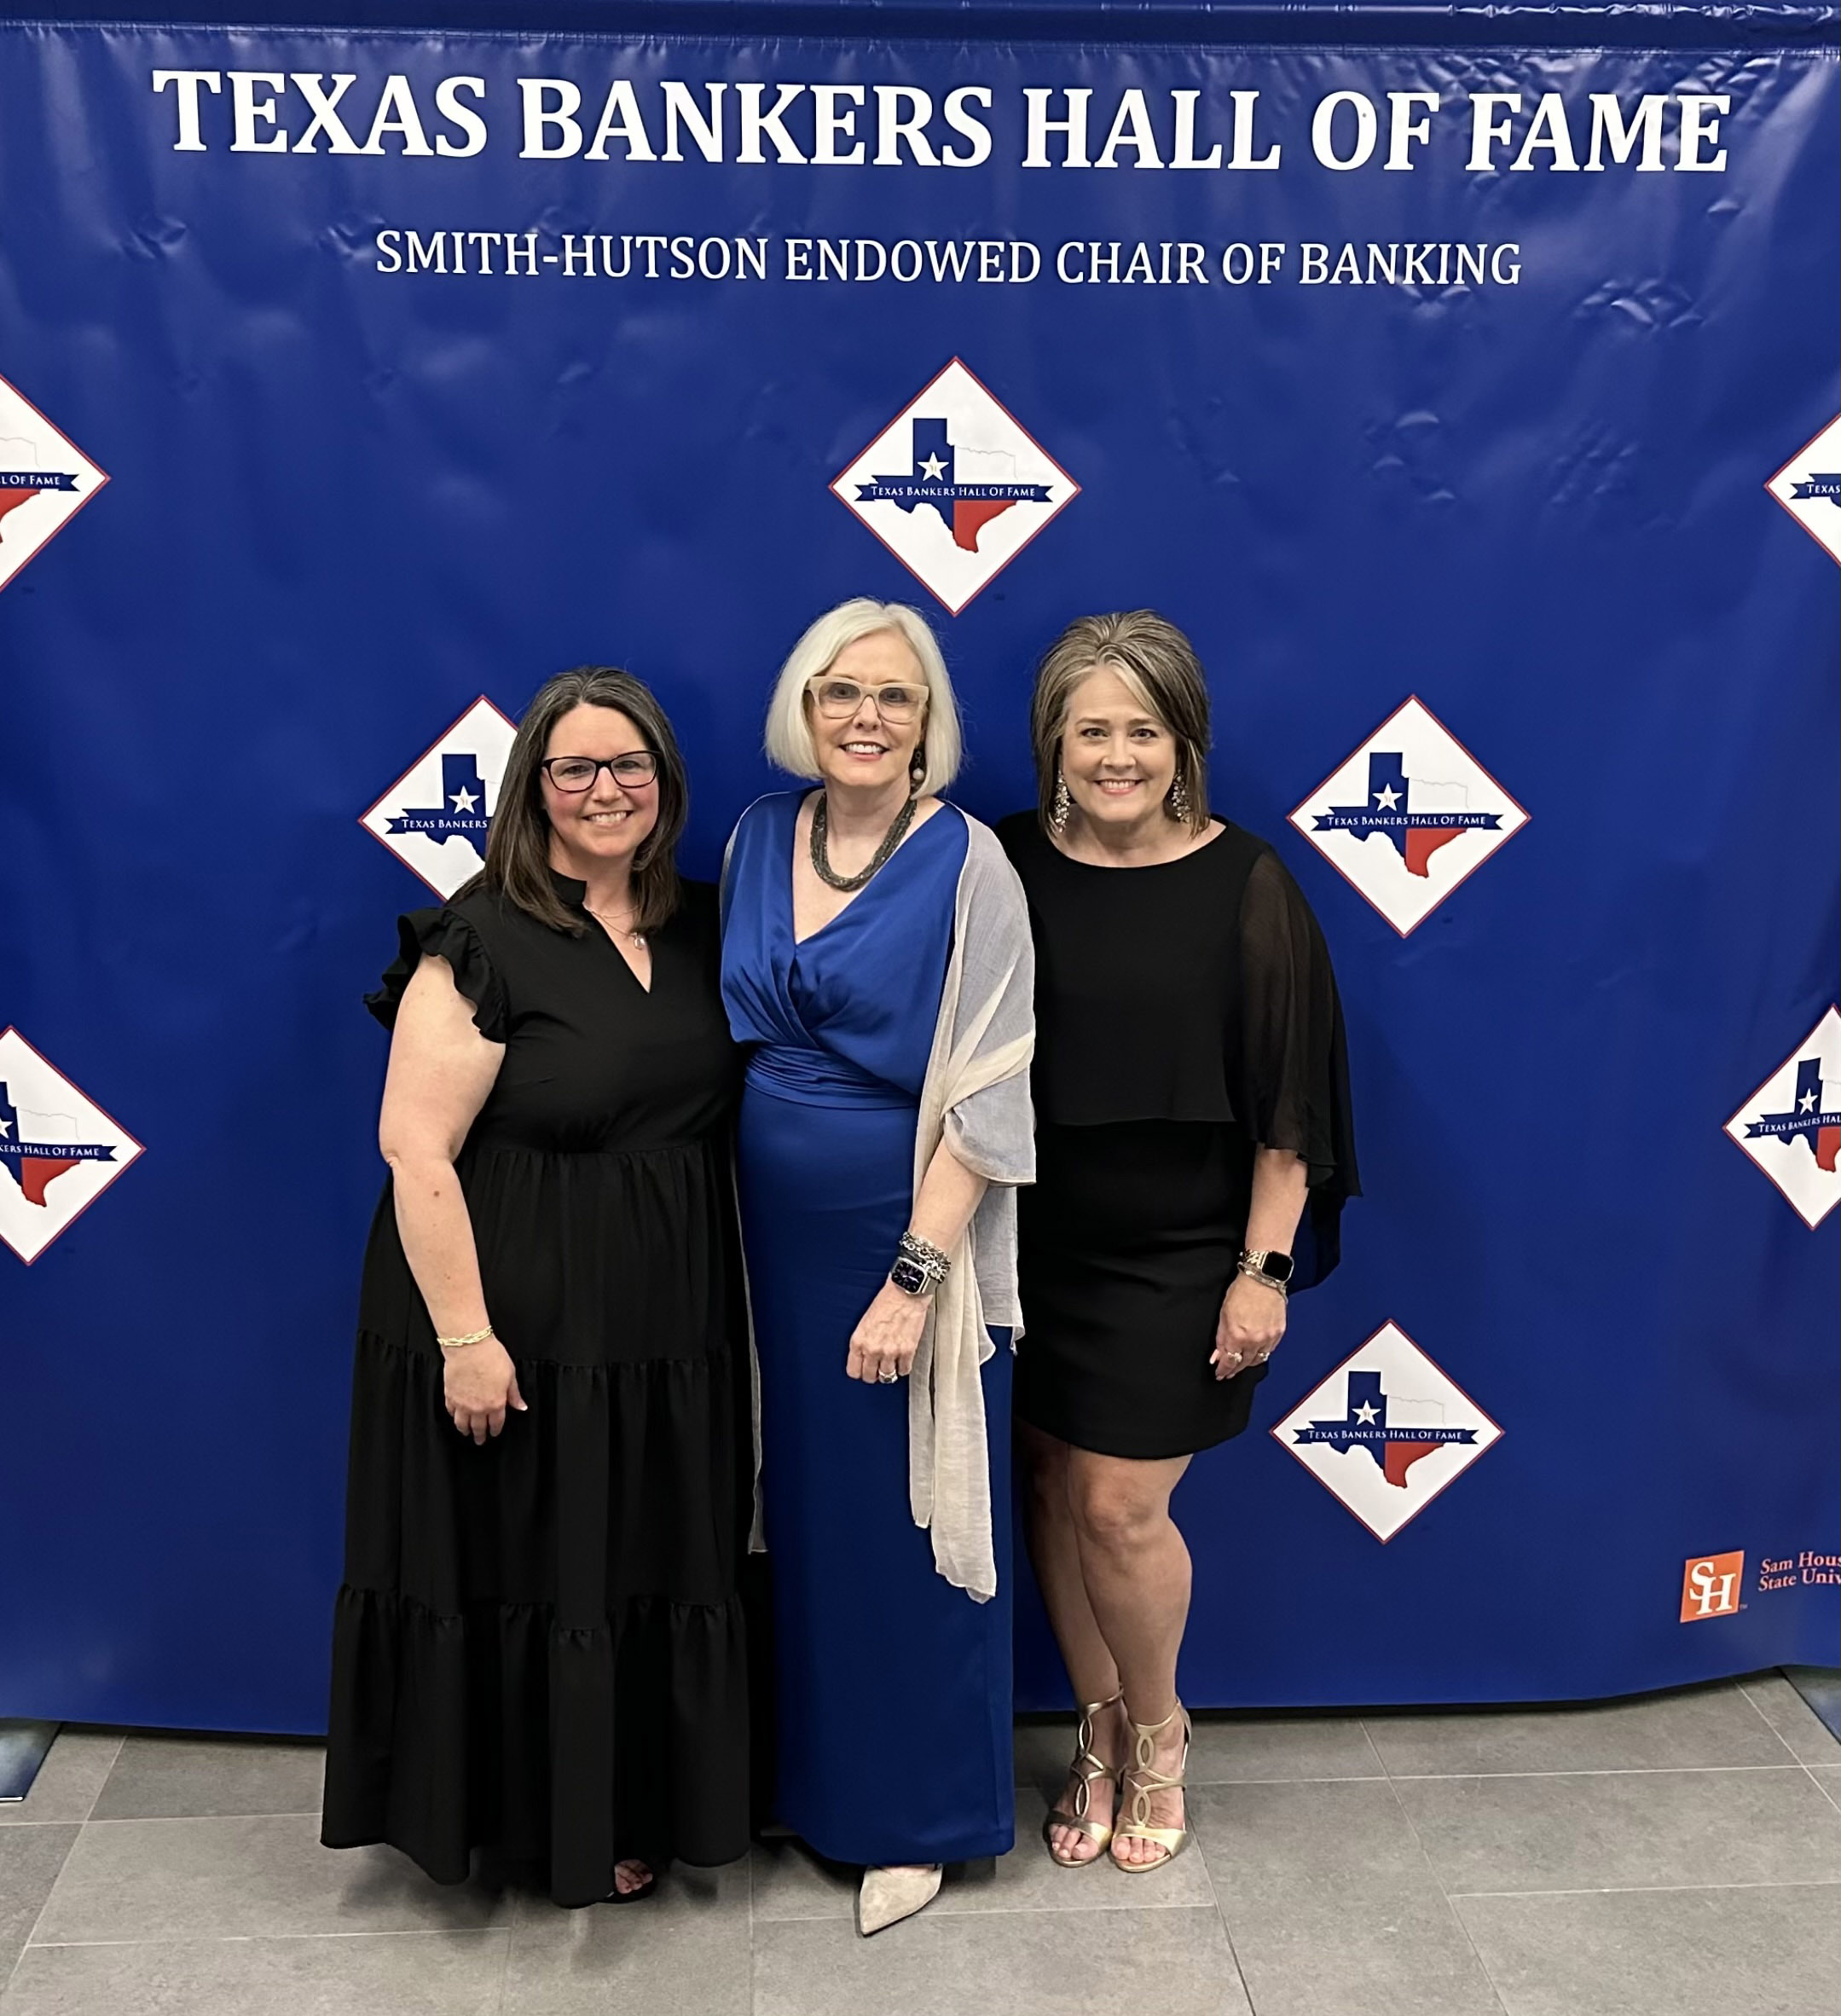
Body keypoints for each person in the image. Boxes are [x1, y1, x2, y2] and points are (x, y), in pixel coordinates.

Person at [321, 668, 753, 1909]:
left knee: (635, 1558)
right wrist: (467, 1339)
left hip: (664, 1322)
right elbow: (416, 1151)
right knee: (535, 1564)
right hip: (512, 1318)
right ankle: (537, 1829)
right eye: (575, 768)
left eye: (629, 766)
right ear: (533, 789)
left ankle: (630, 1805)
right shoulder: (481, 939)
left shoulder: (706, 923)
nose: (605, 790)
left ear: (665, 782)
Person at [996, 611, 1357, 1876]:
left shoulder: (1248, 882)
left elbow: (1290, 1110)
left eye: (1142, 730)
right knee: (1049, 1482)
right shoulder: (1002, 862)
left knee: (1116, 1503)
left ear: (1184, 743)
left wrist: (1263, 1273)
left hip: (1182, 1251)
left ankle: (1158, 1732)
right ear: (1053, 745)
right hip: (1027, 1240)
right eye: (1090, 731)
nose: (1116, 757)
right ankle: (1095, 1726)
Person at [720, 598, 1035, 1937]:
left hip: (898, 1250)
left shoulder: (970, 863)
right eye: (840, 692)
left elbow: (992, 1094)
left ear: (928, 723)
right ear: (805, 708)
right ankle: (812, 1785)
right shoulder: (752, 835)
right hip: (760, 1249)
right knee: (797, 1522)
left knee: (906, 1525)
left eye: (894, 696)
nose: (865, 716)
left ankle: (918, 1817)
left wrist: (913, 1280)